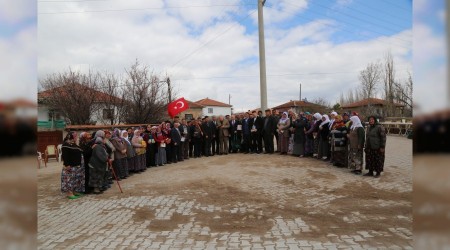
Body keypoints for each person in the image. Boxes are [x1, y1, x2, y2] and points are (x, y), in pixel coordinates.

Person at [61, 131, 85, 199]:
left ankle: (74, 191)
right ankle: (69, 193)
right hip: (70, 166)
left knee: (75, 179)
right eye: (75, 136)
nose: (76, 137)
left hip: (76, 166)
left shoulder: (74, 144)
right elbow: (65, 155)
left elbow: (81, 151)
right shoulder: (66, 144)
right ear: (71, 136)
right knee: (69, 180)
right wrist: (67, 164)